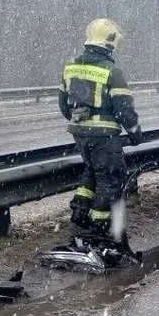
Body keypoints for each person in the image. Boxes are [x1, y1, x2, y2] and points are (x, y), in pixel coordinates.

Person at [58, 18, 142, 234]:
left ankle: (80, 210)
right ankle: (99, 225)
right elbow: (124, 110)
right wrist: (135, 133)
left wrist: (81, 119)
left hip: (80, 134)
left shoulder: (70, 68)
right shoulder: (112, 72)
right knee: (111, 178)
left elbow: (63, 106)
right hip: (104, 136)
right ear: (110, 42)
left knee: (92, 171)